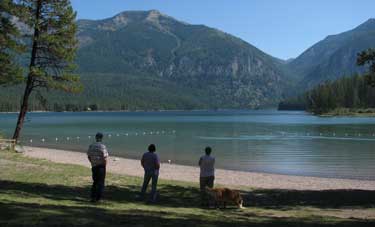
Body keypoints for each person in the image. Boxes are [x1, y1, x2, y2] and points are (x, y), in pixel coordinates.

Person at [87, 132, 109, 202]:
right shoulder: (102, 146)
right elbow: (105, 157)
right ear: (101, 138)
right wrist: (105, 164)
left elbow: (89, 156)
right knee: (101, 182)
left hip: (94, 166)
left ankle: (93, 197)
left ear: (96, 138)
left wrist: (92, 162)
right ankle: (99, 198)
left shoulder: (91, 146)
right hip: (101, 166)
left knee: (95, 182)